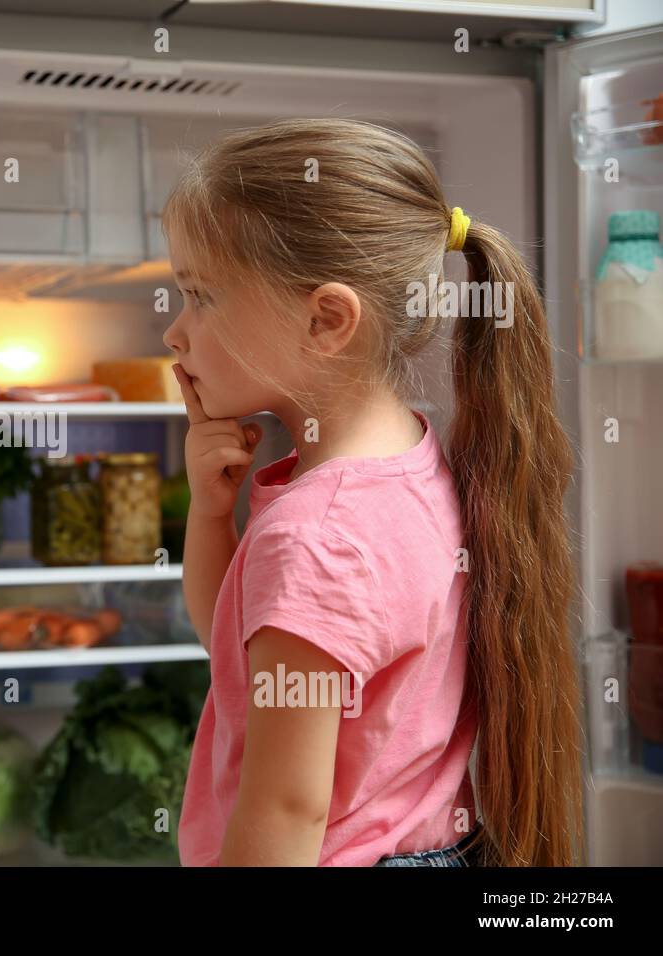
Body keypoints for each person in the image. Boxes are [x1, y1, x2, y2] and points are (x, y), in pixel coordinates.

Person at [164, 119, 583, 867]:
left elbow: (288, 811)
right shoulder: (411, 464)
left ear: (326, 320)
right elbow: (227, 643)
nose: (176, 332)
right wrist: (209, 511)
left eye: (201, 296)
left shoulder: (317, 536)